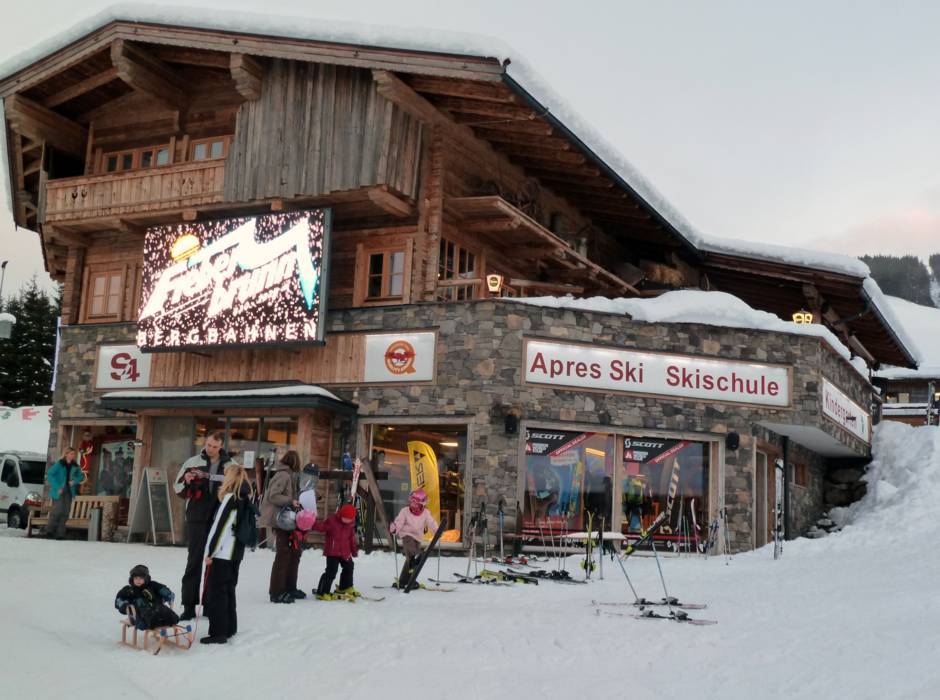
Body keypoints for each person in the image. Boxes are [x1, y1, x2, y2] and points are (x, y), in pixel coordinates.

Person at [173, 431, 236, 620]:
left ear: (221, 446)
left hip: (219, 518)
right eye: (208, 445)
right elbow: (177, 487)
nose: (210, 449)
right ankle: (189, 605)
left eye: (214, 446)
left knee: (215, 562)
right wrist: (187, 481)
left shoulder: (230, 465)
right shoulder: (192, 462)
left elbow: (238, 487)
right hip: (197, 517)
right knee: (194, 562)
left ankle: (210, 604)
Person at [201, 463, 253, 644]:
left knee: (217, 594)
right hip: (236, 554)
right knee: (229, 591)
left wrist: (210, 552)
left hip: (223, 554)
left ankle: (218, 632)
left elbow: (220, 528)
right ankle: (230, 627)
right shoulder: (245, 498)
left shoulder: (231, 498)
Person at [259, 450, 304, 604]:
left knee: (294, 553)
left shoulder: (290, 475)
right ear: (295, 462)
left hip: (288, 520)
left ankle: (289, 587)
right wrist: (291, 501)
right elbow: (273, 495)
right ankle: (277, 591)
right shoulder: (283, 475)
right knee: (283, 554)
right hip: (280, 520)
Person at [389, 489, 438, 588]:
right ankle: (416, 555)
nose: (413, 506)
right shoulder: (405, 511)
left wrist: (437, 530)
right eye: (412, 503)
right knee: (412, 553)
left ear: (422, 504)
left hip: (418, 537)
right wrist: (395, 528)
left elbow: (431, 522)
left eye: (416, 504)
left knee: (410, 561)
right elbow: (399, 522)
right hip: (406, 534)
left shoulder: (426, 513)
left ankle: (404, 581)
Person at [311, 503, 359, 600]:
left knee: (349, 566)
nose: (347, 520)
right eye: (345, 518)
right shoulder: (332, 521)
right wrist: (312, 522)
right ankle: (322, 592)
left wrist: (354, 551)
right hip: (332, 552)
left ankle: (345, 587)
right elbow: (321, 528)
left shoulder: (351, 524)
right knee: (331, 571)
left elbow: (351, 539)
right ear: (341, 515)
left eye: (349, 519)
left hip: (345, 551)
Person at [114, 564, 180, 630]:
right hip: (140, 615)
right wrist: (125, 605)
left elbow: (166, 592)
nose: (138, 580)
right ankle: (153, 620)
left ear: (146, 578)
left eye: (141, 578)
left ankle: (169, 618)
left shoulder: (153, 585)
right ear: (132, 579)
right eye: (136, 578)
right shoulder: (130, 590)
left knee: (163, 610)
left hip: (158, 610)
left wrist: (168, 595)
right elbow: (118, 601)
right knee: (142, 605)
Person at [43, 447, 84, 539]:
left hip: (69, 491)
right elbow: (50, 474)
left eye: (74, 454)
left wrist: (74, 482)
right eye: (71, 454)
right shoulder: (59, 464)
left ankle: (60, 534)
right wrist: (57, 486)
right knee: (58, 510)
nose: (73, 455)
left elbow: (81, 477)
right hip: (59, 490)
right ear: (66, 454)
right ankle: (49, 531)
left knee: (65, 512)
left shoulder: (75, 466)